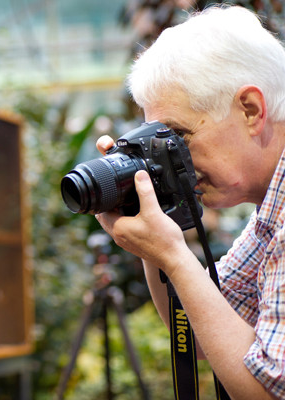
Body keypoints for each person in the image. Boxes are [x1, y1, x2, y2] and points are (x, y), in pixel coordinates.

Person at [95, 5, 285, 399]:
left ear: (251, 110)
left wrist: (176, 257)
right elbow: (205, 333)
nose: (172, 157)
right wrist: (145, 216)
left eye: (178, 136)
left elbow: (267, 391)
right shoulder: (272, 209)